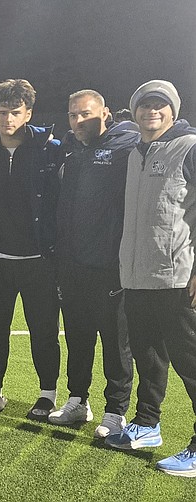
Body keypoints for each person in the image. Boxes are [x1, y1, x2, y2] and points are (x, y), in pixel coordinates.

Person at [105, 80, 196, 478]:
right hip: (137, 276)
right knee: (148, 356)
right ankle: (147, 424)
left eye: (160, 106)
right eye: (144, 106)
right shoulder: (134, 152)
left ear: (173, 111)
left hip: (177, 278)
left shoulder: (189, 147)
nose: (151, 112)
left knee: (191, 363)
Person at [0, 79, 63, 418]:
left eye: (16, 112)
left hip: (38, 258)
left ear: (29, 113)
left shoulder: (49, 150)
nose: (8, 119)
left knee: (43, 330)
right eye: (3, 112)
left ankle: (47, 394)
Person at [50, 90, 137, 436]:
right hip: (72, 263)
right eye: (73, 115)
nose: (78, 121)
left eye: (85, 114)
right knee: (78, 336)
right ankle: (77, 400)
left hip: (109, 264)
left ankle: (115, 411)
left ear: (105, 112)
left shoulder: (126, 145)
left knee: (116, 342)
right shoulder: (71, 148)